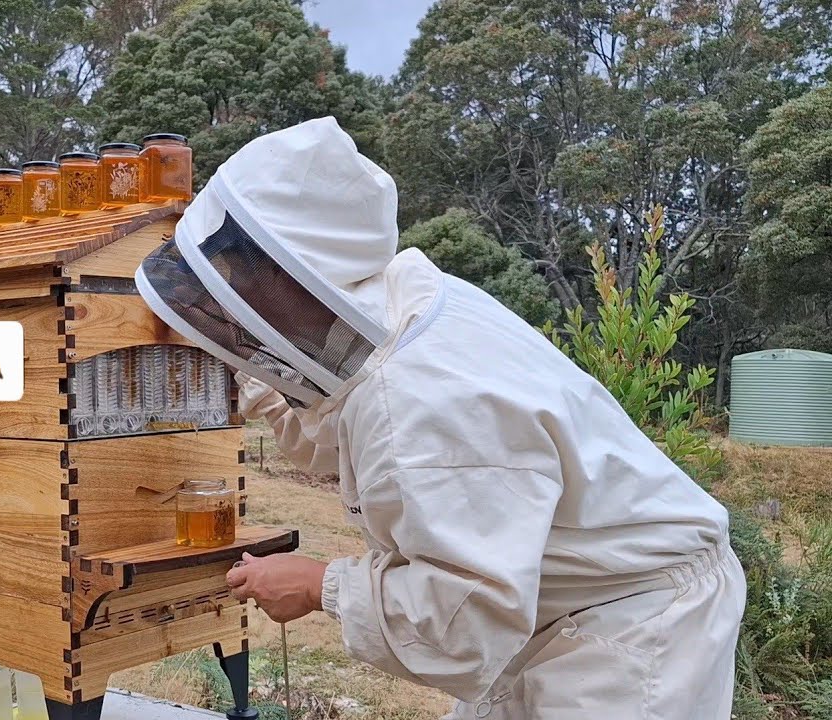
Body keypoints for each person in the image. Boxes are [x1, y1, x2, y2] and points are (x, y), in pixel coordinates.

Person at [134, 117, 746, 719]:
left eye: (236, 278)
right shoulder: (398, 306)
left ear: (289, 271)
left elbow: (467, 616)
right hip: (558, 603)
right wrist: (253, 380)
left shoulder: (422, 395)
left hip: (635, 622)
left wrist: (321, 585)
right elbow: (340, 441)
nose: (225, 302)